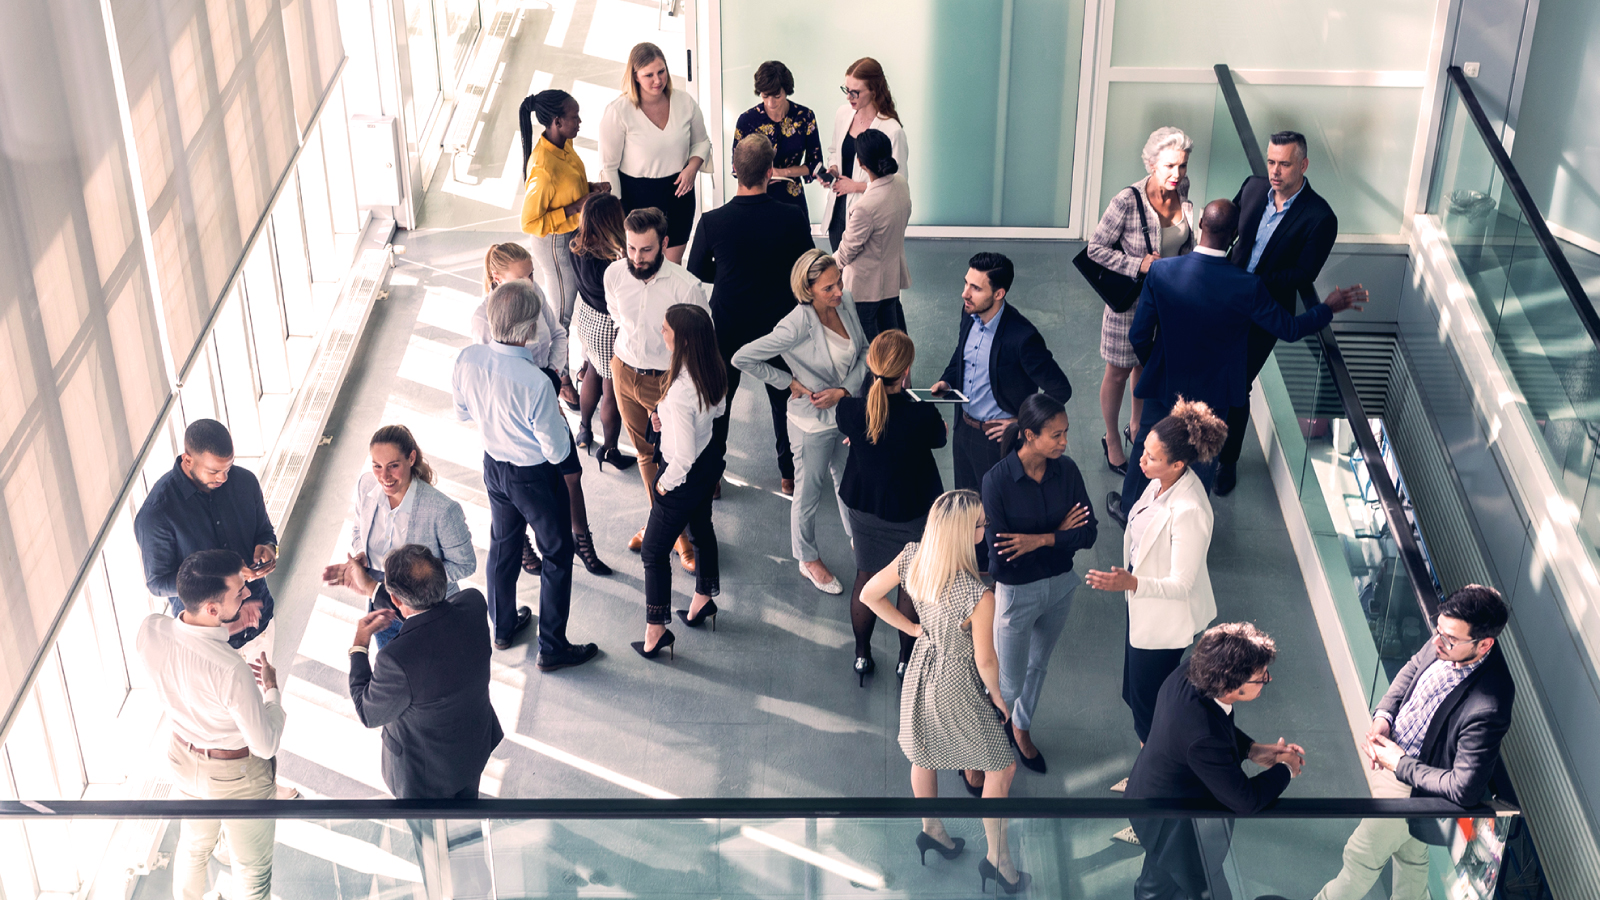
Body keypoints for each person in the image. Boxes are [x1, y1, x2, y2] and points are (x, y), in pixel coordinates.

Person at [1108, 199, 1367, 523]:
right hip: (1214, 396)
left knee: (1146, 452)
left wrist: (1160, 364)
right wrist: (1328, 307)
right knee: (1200, 465)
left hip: (1163, 385)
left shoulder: (1162, 271)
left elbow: (1138, 336)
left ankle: (1131, 513)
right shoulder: (1247, 286)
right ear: (1234, 236)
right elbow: (1289, 329)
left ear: (1201, 223)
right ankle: (1184, 527)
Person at [858, 490, 1028, 892]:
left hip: (923, 668)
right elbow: (986, 662)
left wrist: (915, 629)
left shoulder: (912, 556)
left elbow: (868, 595)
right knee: (1002, 767)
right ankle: (998, 859)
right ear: (963, 534)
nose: (987, 529)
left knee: (924, 751)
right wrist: (1000, 698)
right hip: (959, 681)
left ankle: (932, 829)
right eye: (982, 524)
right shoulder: (977, 595)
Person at [1312, 585, 1515, 900]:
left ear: (1484, 644)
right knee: (1411, 862)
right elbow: (1411, 670)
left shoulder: (1490, 702)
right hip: (1392, 764)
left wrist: (1399, 764)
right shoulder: (1449, 638)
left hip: (1411, 789)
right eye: (1438, 630)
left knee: (1360, 859)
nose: (1437, 642)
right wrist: (1384, 716)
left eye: (1449, 639)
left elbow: (1465, 788)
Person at [452, 281, 599, 671]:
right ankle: (551, 647)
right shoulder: (535, 382)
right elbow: (555, 450)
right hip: (533, 478)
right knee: (556, 552)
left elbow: (462, 413)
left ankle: (501, 628)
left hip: (494, 468)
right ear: (531, 329)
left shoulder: (467, 358)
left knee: (503, 543)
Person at [136, 549, 285, 900]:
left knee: (193, 846)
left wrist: (231, 625)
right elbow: (265, 745)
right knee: (252, 870)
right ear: (213, 609)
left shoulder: (150, 630)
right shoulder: (231, 669)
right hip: (235, 776)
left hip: (183, 760)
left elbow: (189, 647)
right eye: (239, 591)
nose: (247, 593)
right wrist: (272, 691)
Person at [1123, 622, 1305, 899]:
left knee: (1156, 883)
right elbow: (1246, 800)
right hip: (1176, 832)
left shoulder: (1193, 671)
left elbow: (1216, 724)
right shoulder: (1202, 736)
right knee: (1204, 889)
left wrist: (1252, 749)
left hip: (1150, 800)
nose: (1267, 680)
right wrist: (1286, 768)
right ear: (1233, 684)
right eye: (1260, 677)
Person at [1085, 400, 1227, 756]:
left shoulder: (1190, 510)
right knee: (1135, 692)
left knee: (1149, 704)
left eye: (1151, 457)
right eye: (1142, 450)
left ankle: (1153, 768)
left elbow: (1182, 584)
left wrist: (1132, 583)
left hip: (1162, 617)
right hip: (1142, 604)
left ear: (1178, 464)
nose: (1141, 461)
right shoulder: (1160, 481)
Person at [1216, 130, 1344, 496]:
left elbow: (1303, 274)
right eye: (1271, 162)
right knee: (1209, 369)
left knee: (1238, 385)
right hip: (1225, 298)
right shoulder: (1254, 188)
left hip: (1264, 311)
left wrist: (1252, 283)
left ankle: (1227, 460)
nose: (1274, 171)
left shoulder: (1320, 217)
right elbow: (1229, 234)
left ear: (1303, 165)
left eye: (1284, 164)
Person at [686, 134, 815, 494]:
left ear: (733, 171)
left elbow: (697, 269)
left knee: (720, 401)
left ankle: (712, 476)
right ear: (771, 172)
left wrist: (727, 275)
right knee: (784, 398)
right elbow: (807, 266)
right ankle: (789, 475)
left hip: (728, 324)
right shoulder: (791, 217)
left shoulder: (712, 222)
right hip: (779, 326)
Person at [733, 249, 868, 594]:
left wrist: (843, 391)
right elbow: (742, 357)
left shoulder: (846, 302)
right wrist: (787, 382)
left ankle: (859, 542)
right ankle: (807, 559)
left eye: (838, 282)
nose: (838, 292)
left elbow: (865, 352)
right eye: (828, 288)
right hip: (811, 425)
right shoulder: (796, 323)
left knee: (848, 481)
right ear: (808, 291)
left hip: (843, 413)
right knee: (808, 493)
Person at [475, 246, 612, 575]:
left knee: (572, 474)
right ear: (498, 280)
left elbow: (558, 333)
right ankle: (522, 541)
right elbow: (489, 370)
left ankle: (581, 540)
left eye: (533, 274)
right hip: (512, 414)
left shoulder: (534, 295)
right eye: (522, 277)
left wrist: (553, 375)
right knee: (520, 484)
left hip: (544, 395)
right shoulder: (483, 317)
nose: (532, 282)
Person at [982, 394, 1096, 774]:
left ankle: (1021, 728)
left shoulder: (1068, 471)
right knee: (1006, 684)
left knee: (1038, 667)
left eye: (1066, 433)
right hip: (1017, 595)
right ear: (1029, 435)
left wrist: (1039, 539)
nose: (1064, 442)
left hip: (1061, 585)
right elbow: (1001, 558)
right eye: (1056, 435)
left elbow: (1089, 535)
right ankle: (979, 747)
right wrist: (1060, 532)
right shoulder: (996, 482)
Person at [344, 545, 504, 799]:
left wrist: (359, 645)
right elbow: (431, 612)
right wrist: (373, 588)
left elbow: (367, 712)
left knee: (431, 837)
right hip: (472, 746)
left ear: (396, 600)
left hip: (427, 778)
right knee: (469, 814)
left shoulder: (397, 659)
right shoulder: (473, 603)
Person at [837, 330, 945, 684]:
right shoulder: (922, 416)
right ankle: (905, 659)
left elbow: (860, 430)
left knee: (866, 578)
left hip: (865, 509)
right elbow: (939, 438)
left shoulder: (851, 411)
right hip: (912, 513)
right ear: (907, 371)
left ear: (871, 364)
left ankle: (861, 655)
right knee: (909, 586)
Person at [1085, 126, 1195, 478]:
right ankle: (1113, 438)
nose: (1177, 174)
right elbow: (1095, 249)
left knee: (1144, 369)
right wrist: (1140, 264)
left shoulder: (1183, 190)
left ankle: (1137, 426)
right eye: (1169, 167)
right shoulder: (1126, 201)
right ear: (1151, 164)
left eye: (1182, 166)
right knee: (1117, 373)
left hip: (1167, 304)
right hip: (1129, 305)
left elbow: (1184, 242)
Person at [607, 207, 713, 566]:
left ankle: (674, 532)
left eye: (646, 250)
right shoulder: (614, 273)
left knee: (673, 459)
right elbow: (618, 318)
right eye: (631, 248)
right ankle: (665, 527)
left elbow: (702, 339)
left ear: (665, 244)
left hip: (665, 380)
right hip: (624, 371)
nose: (636, 258)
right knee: (644, 454)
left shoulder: (686, 286)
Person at [322, 425, 476, 651]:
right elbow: (358, 530)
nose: (384, 476)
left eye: (393, 466)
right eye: (377, 466)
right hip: (383, 609)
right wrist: (363, 554)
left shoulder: (442, 510)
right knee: (393, 671)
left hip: (429, 612)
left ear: (411, 458)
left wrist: (417, 581)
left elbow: (465, 565)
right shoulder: (366, 485)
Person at [933, 252, 1073, 498]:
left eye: (975, 288)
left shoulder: (1023, 337)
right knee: (965, 506)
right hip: (962, 430)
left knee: (995, 510)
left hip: (998, 440)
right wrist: (948, 379)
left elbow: (1060, 389)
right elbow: (961, 356)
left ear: (999, 294)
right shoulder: (968, 312)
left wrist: (1022, 423)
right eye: (966, 283)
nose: (965, 293)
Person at [134, 418, 279, 652]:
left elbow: (265, 531)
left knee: (268, 687)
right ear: (187, 459)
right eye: (214, 471)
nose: (223, 478)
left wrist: (269, 547)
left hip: (259, 619)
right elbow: (158, 583)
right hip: (208, 645)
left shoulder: (245, 482)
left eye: (228, 468)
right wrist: (221, 577)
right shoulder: (157, 515)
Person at [634, 304, 727, 660]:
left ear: (684, 340)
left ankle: (655, 631)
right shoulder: (713, 370)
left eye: (666, 330)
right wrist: (664, 420)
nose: (662, 333)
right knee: (701, 528)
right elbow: (715, 414)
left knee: (653, 551)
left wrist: (663, 484)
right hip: (707, 467)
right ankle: (703, 599)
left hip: (682, 475)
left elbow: (682, 457)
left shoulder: (680, 391)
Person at [519, 88, 610, 390]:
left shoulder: (565, 144)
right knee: (562, 316)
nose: (580, 121)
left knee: (585, 300)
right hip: (556, 245)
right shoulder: (542, 169)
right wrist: (575, 206)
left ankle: (587, 365)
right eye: (574, 117)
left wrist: (592, 189)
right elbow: (530, 222)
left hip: (574, 234)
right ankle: (558, 377)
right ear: (557, 121)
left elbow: (570, 186)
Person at [599, 42, 711, 264]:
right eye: (649, 75)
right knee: (642, 267)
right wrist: (618, 214)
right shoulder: (618, 111)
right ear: (635, 76)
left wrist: (692, 168)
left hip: (679, 192)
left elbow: (702, 142)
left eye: (661, 71)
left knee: (672, 266)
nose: (658, 80)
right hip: (635, 197)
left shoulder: (684, 102)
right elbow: (609, 167)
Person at [568, 192, 636, 472]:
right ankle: (609, 450)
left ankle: (584, 430)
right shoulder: (612, 264)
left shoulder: (576, 241)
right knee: (612, 393)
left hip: (585, 316)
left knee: (594, 370)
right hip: (608, 326)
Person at [833, 128, 912, 342]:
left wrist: (825, 266)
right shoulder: (901, 185)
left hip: (865, 288)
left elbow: (846, 252)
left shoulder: (864, 208)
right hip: (890, 280)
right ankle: (899, 376)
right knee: (894, 343)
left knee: (870, 350)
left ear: (861, 163)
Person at [823, 57, 910, 251]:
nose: (848, 96)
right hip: (838, 212)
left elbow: (898, 185)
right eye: (846, 89)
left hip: (869, 217)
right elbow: (834, 151)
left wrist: (856, 186)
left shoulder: (892, 130)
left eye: (855, 92)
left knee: (860, 277)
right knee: (839, 277)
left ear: (874, 90)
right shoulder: (842, 114)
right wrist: (833, 169)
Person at [731, 60, 823, 215]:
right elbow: (736, 168)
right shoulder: (747, 120)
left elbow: (815, 164)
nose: (770, 102)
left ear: (786, 90)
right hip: (756, 198)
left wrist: (783, 172)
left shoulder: (804, 117)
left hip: (792, 198)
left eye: (777, 96)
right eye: (765, 96)